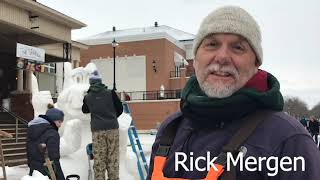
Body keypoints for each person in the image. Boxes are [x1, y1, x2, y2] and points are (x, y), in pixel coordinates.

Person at [147, 6, 320, 180]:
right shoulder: (170, 129)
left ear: (255, 63)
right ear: (196, 59)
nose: (222, 57)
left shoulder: (288, 141)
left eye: (237, 47)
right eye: (212, 44)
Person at [82, 70, 123, 180]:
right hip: (113, 128)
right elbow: (120, 109)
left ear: (90, 82)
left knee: (99, 158)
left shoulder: (88, 97)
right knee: (113, 157)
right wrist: (111, 117)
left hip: (97, 130)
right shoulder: (111, 93)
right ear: (100, 81)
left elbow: (84, 110)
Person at [27, 104, 65, 180]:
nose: (60, 125)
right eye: (59, 122)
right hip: (47, 172)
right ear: (53, 120)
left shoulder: (31, 129)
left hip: (34, 172)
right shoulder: (52, 133)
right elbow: (54, 160)